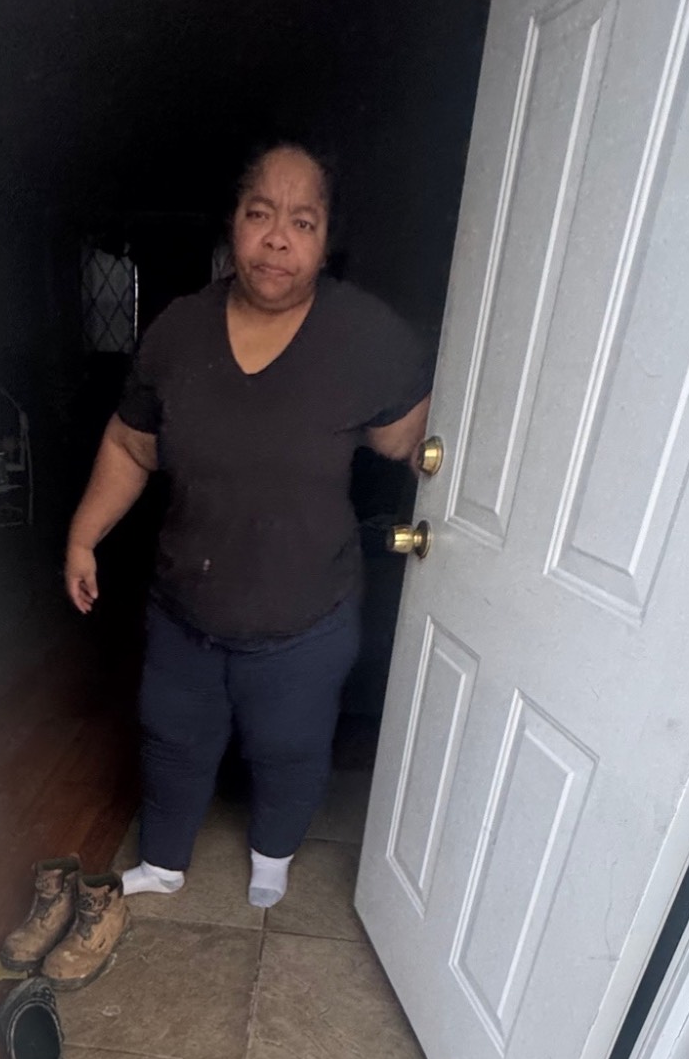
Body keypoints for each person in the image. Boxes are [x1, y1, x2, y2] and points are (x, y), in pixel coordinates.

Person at [64, 143, 432, 913]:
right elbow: (131, 444)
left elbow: (414, 440)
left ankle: (273, 857)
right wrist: (83, 536)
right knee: (172, 737)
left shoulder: (367, 336)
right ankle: (163, 863)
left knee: (288, 745)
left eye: (302, 222)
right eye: (260, 214)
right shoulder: (178, 330)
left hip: (307, 615)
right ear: (233, 223)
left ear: (325, 240)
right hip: (184, 607)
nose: (277, 239)